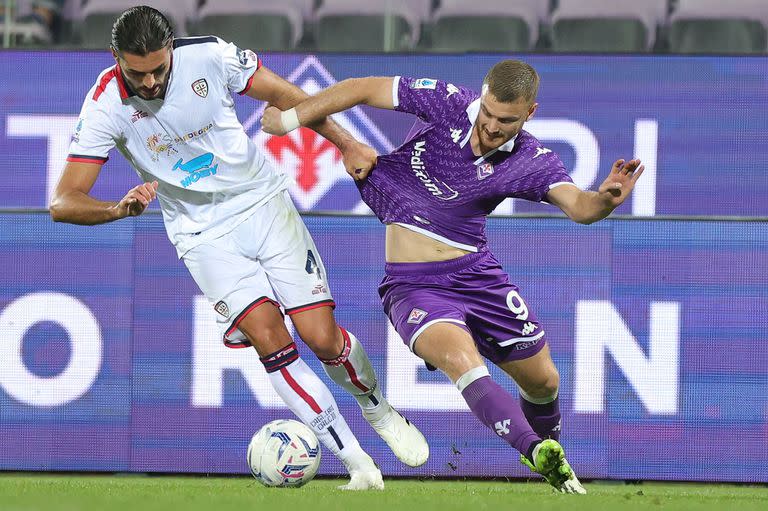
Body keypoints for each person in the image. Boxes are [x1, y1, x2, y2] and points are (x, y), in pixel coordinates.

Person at [49, 6, 428, 490]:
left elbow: (287, 95)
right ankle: (357, 462)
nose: (148, 83)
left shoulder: (210, 56)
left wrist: (346, 143)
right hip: (201, 235)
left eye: (158, 70)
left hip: (263, 203)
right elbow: (64, 201)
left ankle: (376, 407)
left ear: (172, 51)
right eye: (135, 72)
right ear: (115, 58)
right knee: (272, 341)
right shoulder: (104, 104)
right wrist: (115, 209)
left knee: (322, 338)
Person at [262, 60, 646, 494]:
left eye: (507, 120)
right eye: (489, 114)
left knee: (544, 381)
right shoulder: (449, 104)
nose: (493, 127)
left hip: (478, 276)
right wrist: (292, 120)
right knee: (464, 365)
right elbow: (364, 88)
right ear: (481, 96)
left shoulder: (531, 160)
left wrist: (606, 200)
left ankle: (552, 462)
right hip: (415, 284)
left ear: (530, 113)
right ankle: (535, 450)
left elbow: (579, 207)